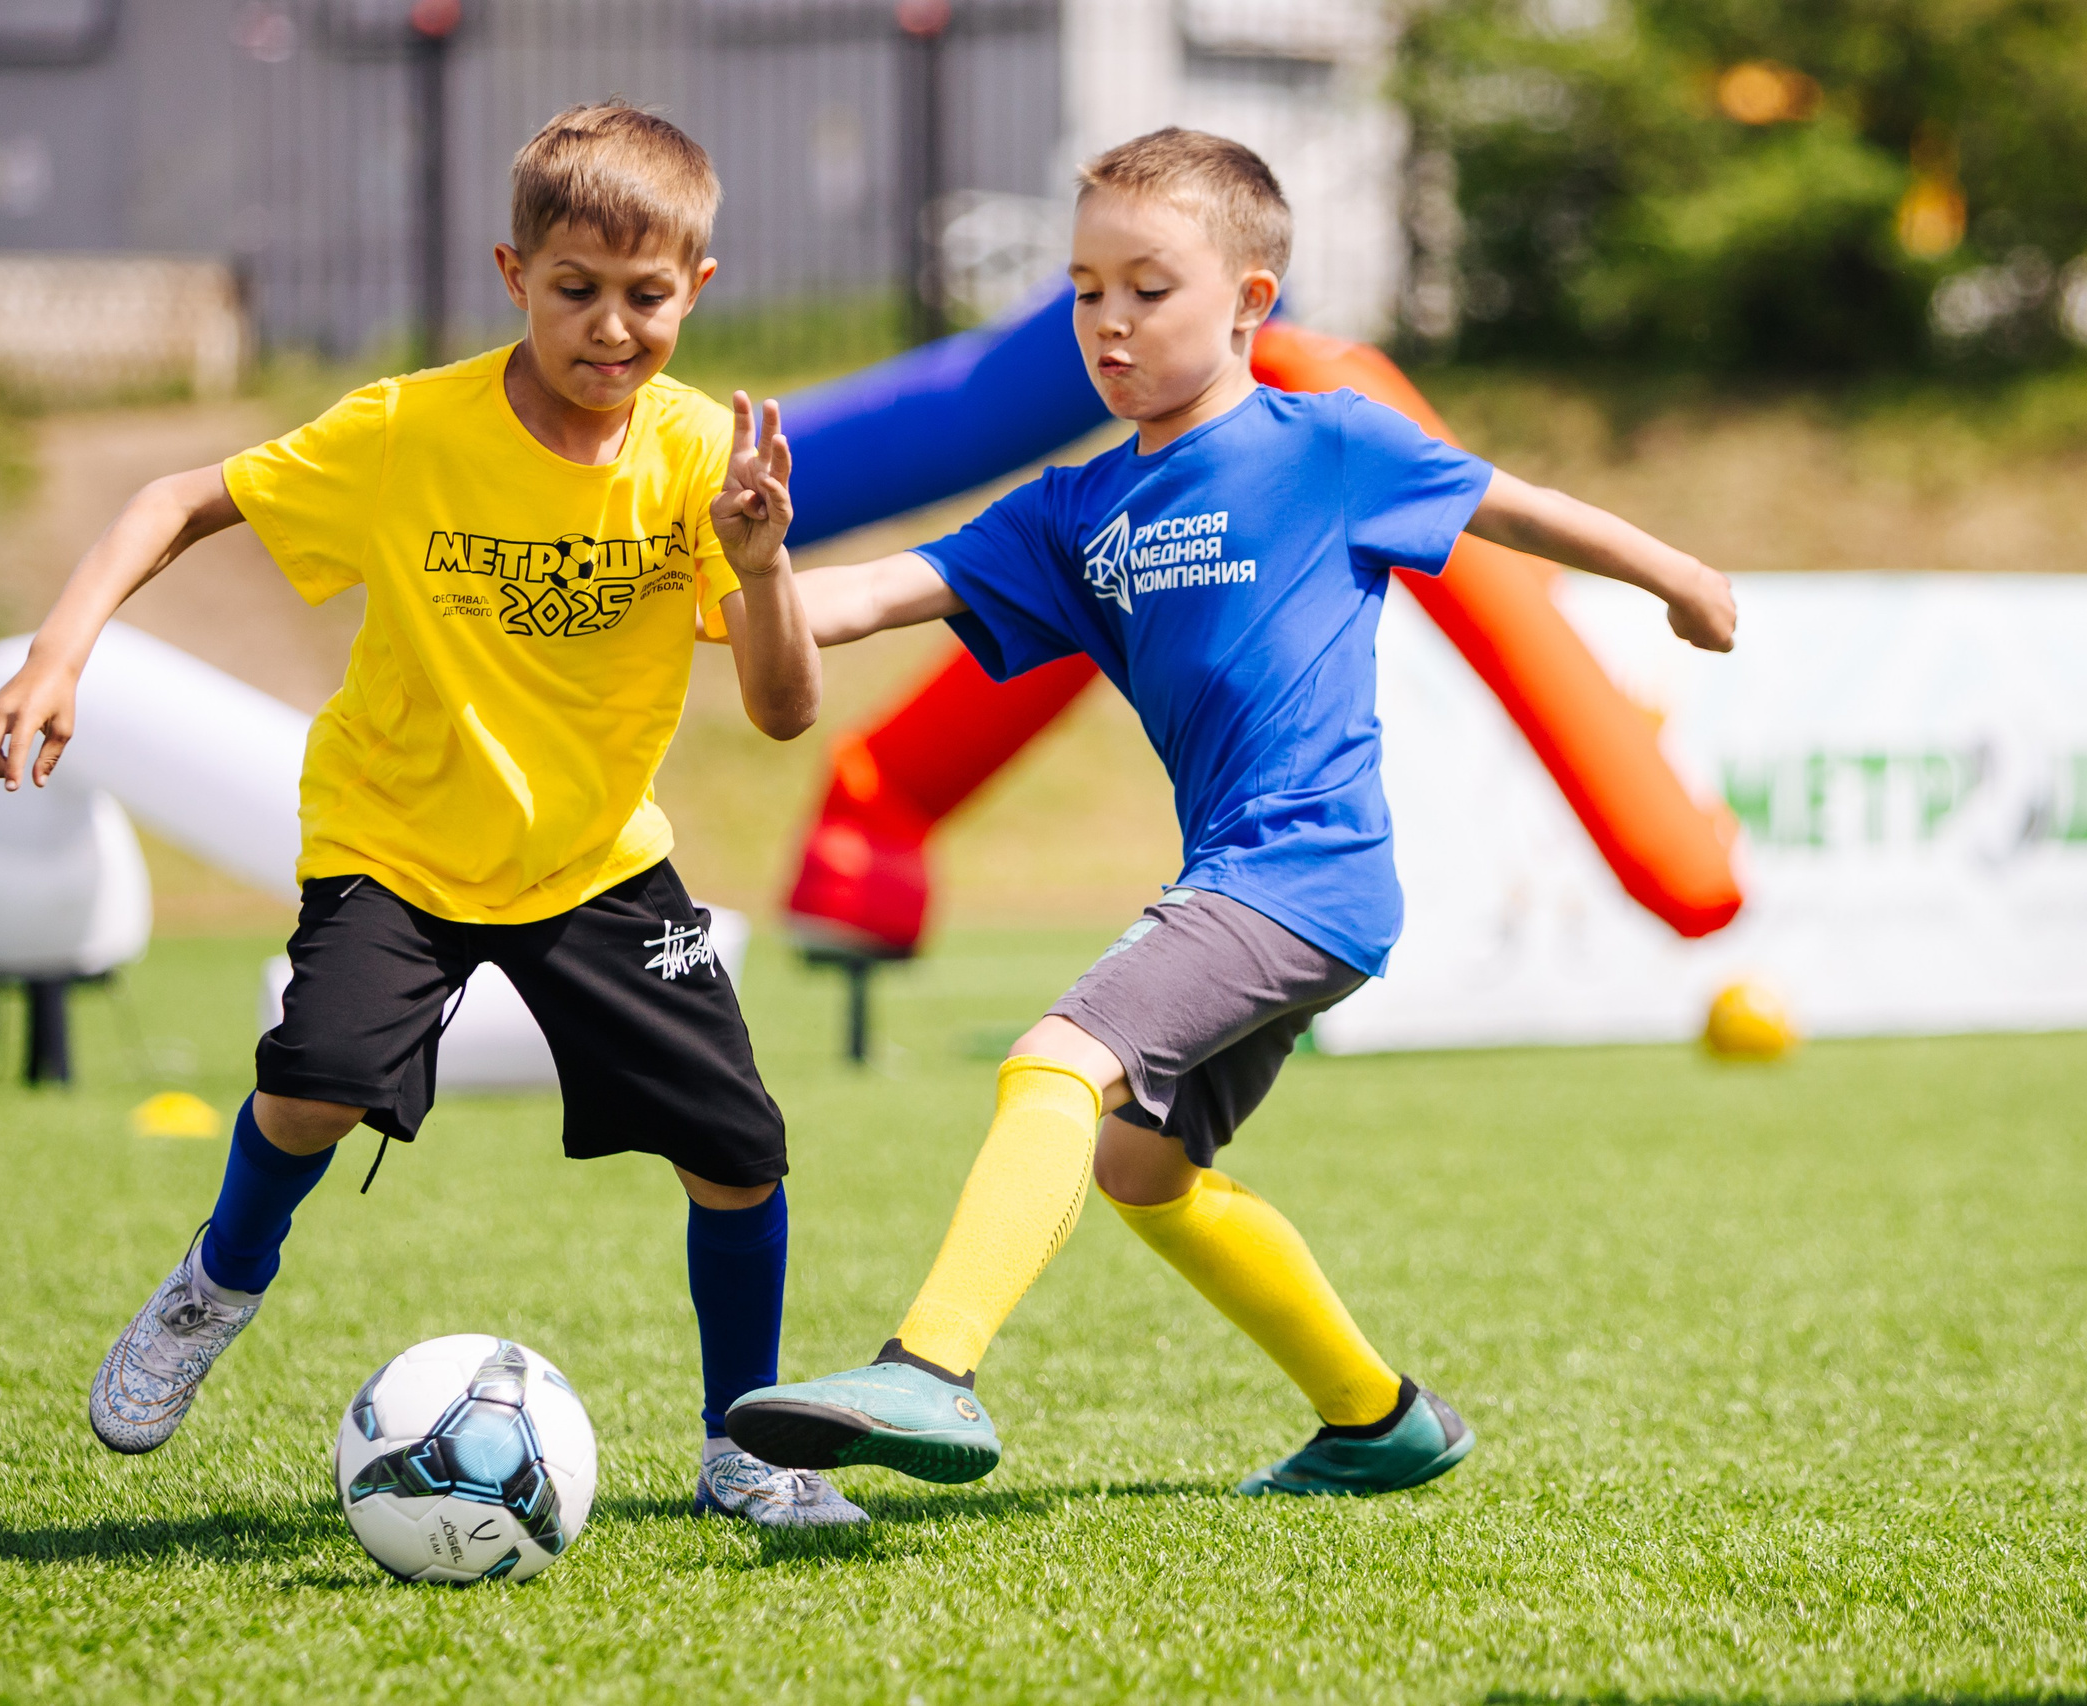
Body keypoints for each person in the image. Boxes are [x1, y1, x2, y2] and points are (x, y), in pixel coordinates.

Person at [722, 127, 1738, 1498]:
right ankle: (1378, 1417)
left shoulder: (1328, 444)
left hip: (1305, 874)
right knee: (1140, 1167)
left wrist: (1678, 577)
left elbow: (1520, 509)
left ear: (1253, 300)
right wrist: (757, 567)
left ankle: (930, 1366)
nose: (1109, 321)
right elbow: (858, 602)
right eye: (1085, 291)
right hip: (1259, 883)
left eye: (1149, 287)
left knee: (1056, 1058)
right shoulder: (1072, 510)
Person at [0, 103, 866, 1529]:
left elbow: (783, 710)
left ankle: (742, 1448)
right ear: (515, 276)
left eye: (647, 297)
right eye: (577, 291)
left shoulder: (702, 458)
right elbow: (176, 498)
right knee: (313, 1086)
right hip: (394, 843)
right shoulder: (408, 428)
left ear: (698, 287)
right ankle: (217, 1280)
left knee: (739, 1155)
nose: (612, 329)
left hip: (594, 863)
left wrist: (759, 568)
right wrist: (60, 653)